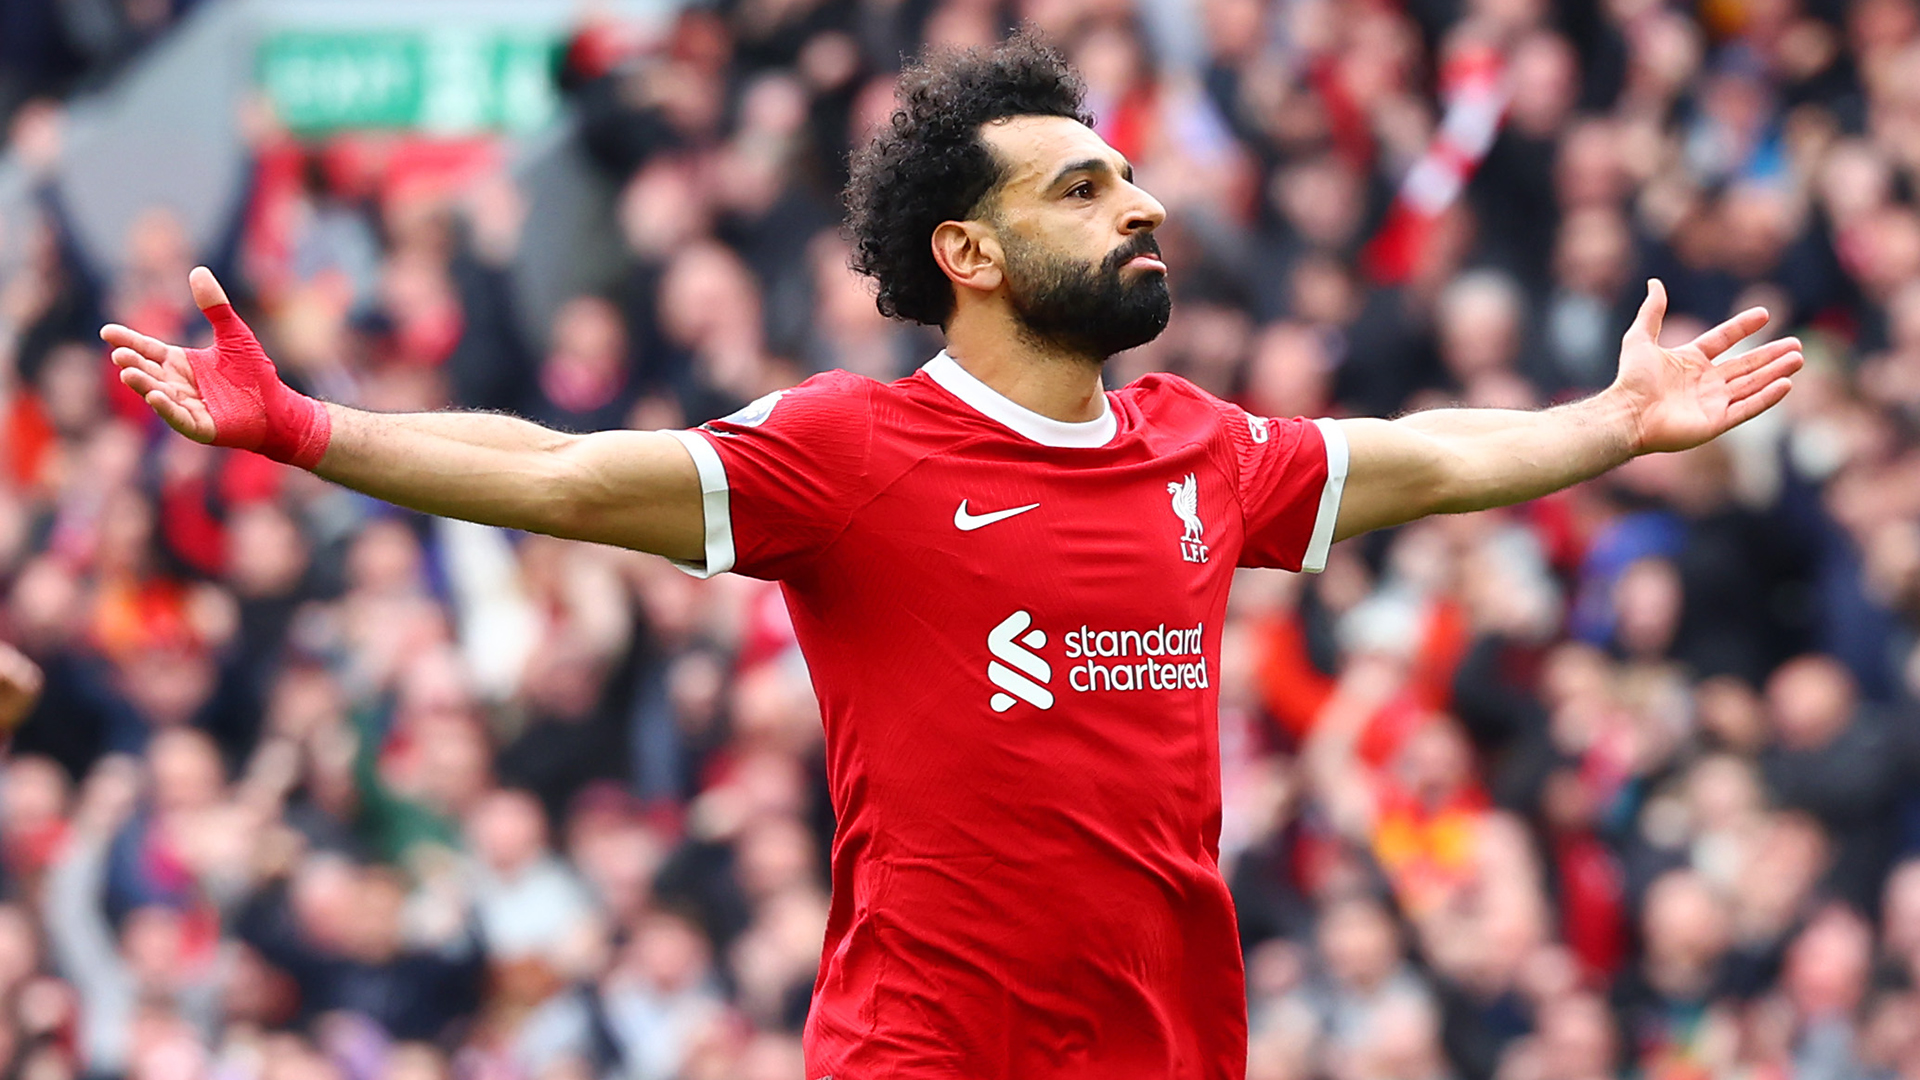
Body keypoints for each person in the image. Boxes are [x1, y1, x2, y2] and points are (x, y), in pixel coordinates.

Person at [101, 31, 1801, 1080]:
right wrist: (309, 430)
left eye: (1131, 175)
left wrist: (1614, 422)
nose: (1136, 202)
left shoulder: (1202, 446)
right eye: (1083, 187)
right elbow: (556, 470)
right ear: (969, 252)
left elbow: (1428, 457)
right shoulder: (853, 452)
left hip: (1171, 1054)